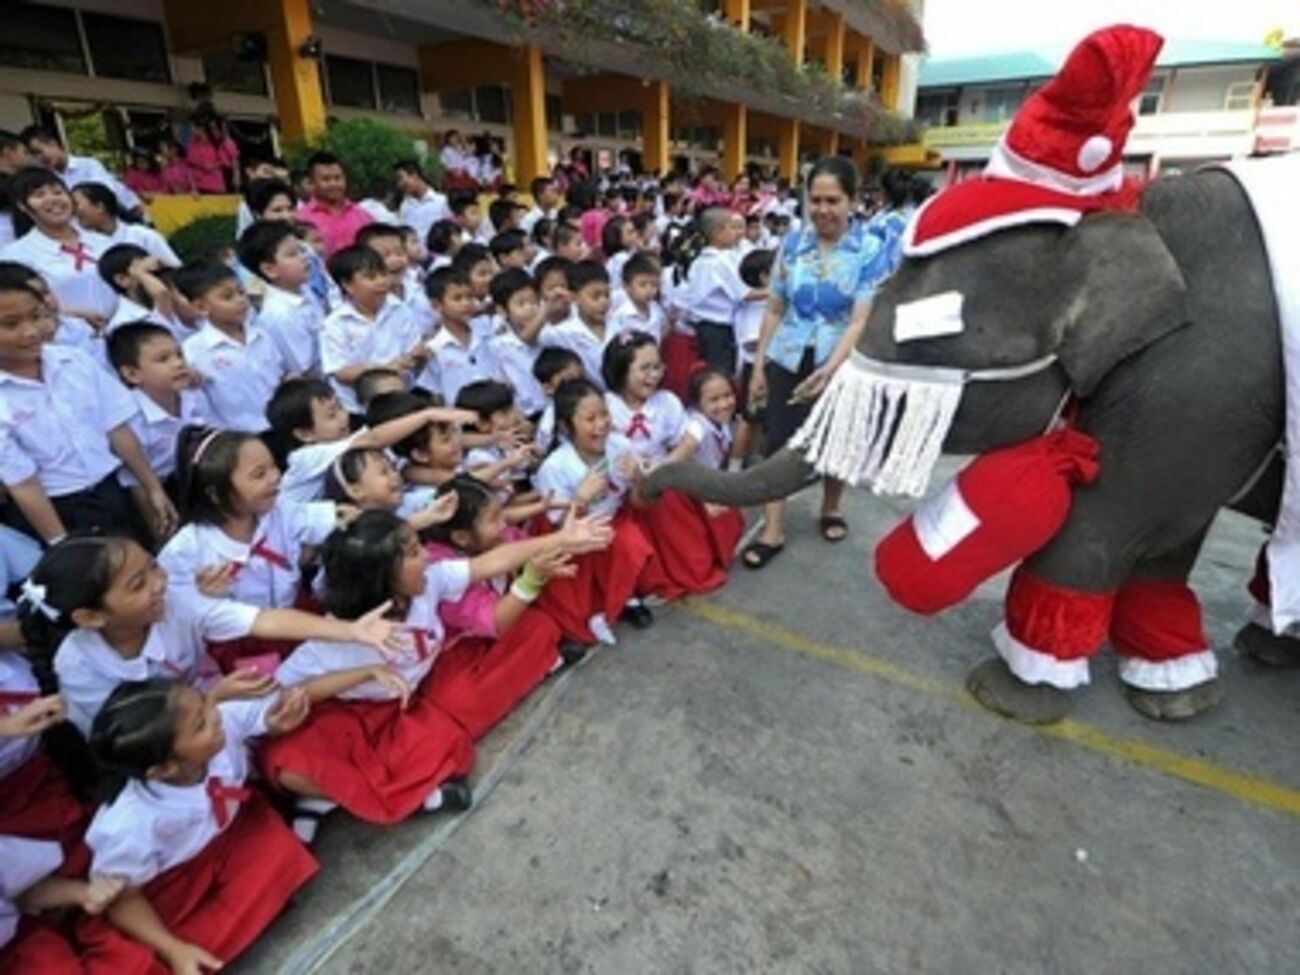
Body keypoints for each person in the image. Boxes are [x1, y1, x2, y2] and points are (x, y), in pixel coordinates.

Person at [77, 677, 318, 973]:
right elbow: (123, 899)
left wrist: (274, 721)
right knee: (166, 956)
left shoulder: (219, 725)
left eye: (204, 700)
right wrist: (173, 948)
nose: (215, 714)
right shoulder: (129, 825)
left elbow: (259, 718)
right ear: (164, 769)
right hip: (168, 889)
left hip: (227, 839)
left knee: (278, 852)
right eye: (201, 723)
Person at [744, 156, 893, 568]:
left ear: (852, 201)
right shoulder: (791, 246)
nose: (823, 210)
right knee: (778, 444)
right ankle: (773, 529)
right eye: (816, 200)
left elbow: (862, 317)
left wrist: (831, 368)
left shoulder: (871, 250)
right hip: (788, 356)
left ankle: (831, 508)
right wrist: (759, 367)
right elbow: (774, 308)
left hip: (842, 361)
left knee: (837, 439)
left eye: (833, 200)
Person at [0, 275, 175, 544]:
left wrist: (152, 487)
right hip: (57, 508)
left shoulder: (75, 361)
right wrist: (60, 542)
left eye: (36, 316)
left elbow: (117, 428)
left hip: (111, 491)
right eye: (11, 324)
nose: (31, 331)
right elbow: (24, 483)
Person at [602, 332, 740, 595]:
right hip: (623, 487)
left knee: (694, 506)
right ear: (621, 369)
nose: (653, 375)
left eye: (657, 367)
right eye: (644, 368)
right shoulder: (607, 405)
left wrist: (662, 469)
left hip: (664, 479)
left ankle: (691, 565)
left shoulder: (666, 401)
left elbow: (686, 444)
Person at [533, 378, 661, 642]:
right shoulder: (556, 467)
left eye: (604, 414)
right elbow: (559, 530)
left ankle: (627, 599)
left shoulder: (620, 446)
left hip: (614, 519)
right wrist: (580, 500)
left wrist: (638, 480)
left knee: (631, 541)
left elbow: (637, 503)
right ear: (567, 427)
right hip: (577, 535)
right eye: (590, 419)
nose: (601, 425)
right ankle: (603, 603)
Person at [267, 376, 473, 504]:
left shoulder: (354, 441)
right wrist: (427, 415)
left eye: (340, 407)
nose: (344, 416)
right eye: (331, 415)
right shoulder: (305, 458)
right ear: (305, 434)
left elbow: (405, 470)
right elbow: (374, 438)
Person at [177, 261, 290, 433]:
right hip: (242, 437)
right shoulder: (194, 351)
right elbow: (199, 405)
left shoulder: (262, 335)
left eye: (241, 292)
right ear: (201, 307)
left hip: (285, 424)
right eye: (227, 297)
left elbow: (279, 374)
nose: (240, 301)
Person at [0, 167, 118, 328]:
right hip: (64, 341)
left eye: (58, 192)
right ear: (22, 205)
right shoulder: (15, 256)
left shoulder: (105, 243)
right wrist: (67, 315)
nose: (52, 199)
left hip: (123, 336)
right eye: (39, 195)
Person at [106, 322, 209, 499]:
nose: (178, 364)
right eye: (163, 359)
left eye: (179, 355)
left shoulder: (193, 395)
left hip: (198, 478)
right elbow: (135, 482)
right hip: (158, 489)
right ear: (132, 374)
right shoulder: (130, 419)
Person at [321, 245, 426, 414]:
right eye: (371, 277)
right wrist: (386, 368)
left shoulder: (400, 310)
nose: (381, 281)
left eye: (383, 274)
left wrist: (416, 356)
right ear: (347, 285)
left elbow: (413, 351)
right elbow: (340, 371)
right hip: (359, 409)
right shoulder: (336, 323)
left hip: (403, 400)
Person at [681, 207, 756, 379]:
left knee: (712, 373)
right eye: (732, 228)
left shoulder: (700, 261)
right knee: (720, 375)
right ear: (717, 233)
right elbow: (745, 293)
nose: (737, 233)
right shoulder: (720, 261)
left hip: (705, 328)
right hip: (718, 329)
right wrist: (775, 291)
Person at [238, 220, 320, 375]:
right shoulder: (280, 314)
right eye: (292, 254)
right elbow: (304, 369)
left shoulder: (304, 290)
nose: (304, 257)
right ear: (270, 270)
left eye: (301, 250)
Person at [420, 266, 503, 405]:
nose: (466, 303)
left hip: (498, 408)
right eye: (457, 298)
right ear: (437, 305)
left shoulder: (486, 329)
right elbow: (436, 393)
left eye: (469, 297)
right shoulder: (433, 348)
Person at [20, 126, 142, 217]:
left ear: (53, 143)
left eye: (38, 152)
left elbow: (102, 195)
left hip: (128, 214)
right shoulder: (49, 178)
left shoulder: (88, 165)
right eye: (33, 156)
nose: (38, 159)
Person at [540, 260, 613, 389]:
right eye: (595, 297)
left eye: (607, 295)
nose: (604, 302)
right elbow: (533, 339)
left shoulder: (619, 324)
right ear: (574, 297)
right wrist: (547, 310)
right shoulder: (562, 333)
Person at [488, 268, 549, 419]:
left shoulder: (549, 335)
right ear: (503, 311)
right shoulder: (499, 346)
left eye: (534, 302)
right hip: (525, 416)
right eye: (521, 304)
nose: (530, 308)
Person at [73, 182, 180, 267]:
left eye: (76, 204)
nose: (73, 211)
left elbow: (174, 268)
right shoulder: (86, 247)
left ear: (99, 206)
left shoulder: (142, 235)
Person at [295, 152, 373, 257]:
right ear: (312, 183)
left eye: (338, 178)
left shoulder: (363, 216)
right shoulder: (301, 219)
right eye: (326, 179)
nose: (333, 184)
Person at [609, 252, 665, 342]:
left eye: (654, 284)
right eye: (642, 285)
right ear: (627, 287)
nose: (649, 290)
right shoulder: (621, 316)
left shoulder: (657, 310)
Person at [183, 110, 240, 195]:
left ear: (201, 128)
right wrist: (193, 188)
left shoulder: (219, 142)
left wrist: (236, 176)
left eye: (193, 127)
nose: (191, 130)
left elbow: (231, 160)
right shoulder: (192, 145)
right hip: (199, 189)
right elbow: (189, 168)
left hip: (217, 188)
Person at [394, 160, 450, 243]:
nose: (400, 184)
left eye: (400, 178)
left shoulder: (442, 201)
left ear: (414, 175)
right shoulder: (405, 206)